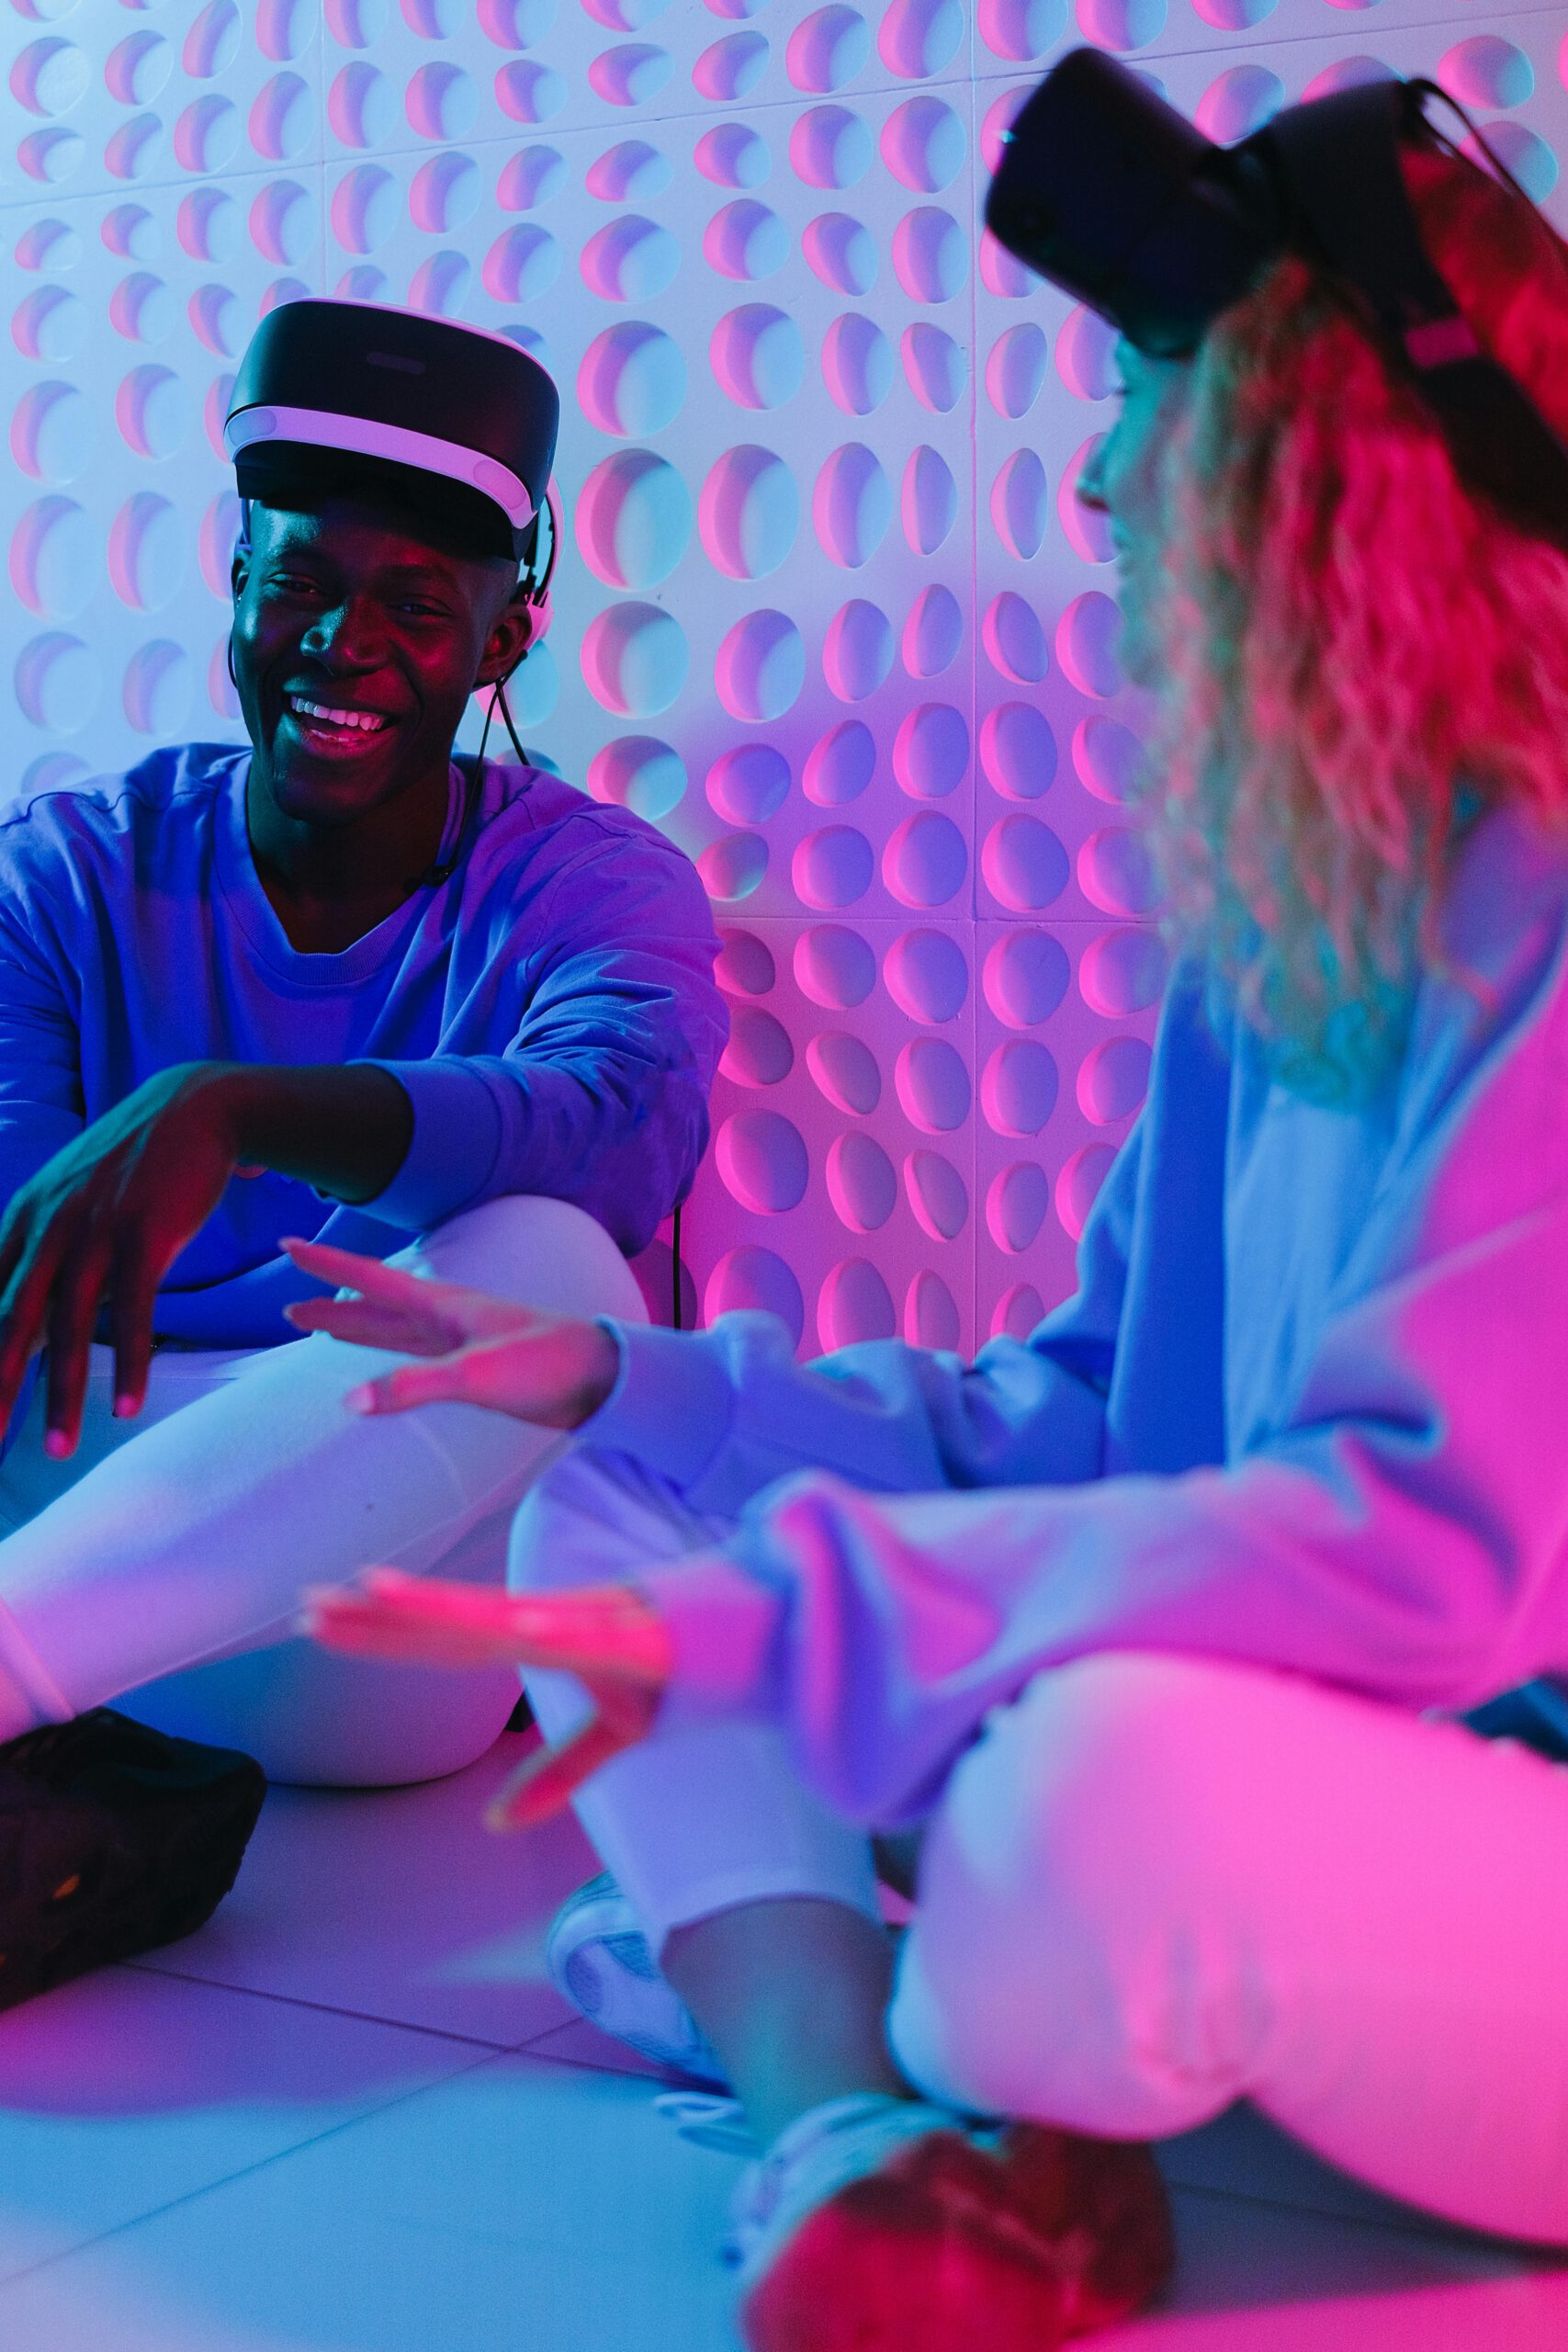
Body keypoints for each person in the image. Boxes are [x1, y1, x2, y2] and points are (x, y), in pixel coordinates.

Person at [304, 61, 1568, 2352]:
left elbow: (1437, 1557)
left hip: (1484, 1831)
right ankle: (869, 2139)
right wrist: (632, 1376)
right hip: (1353, 1768)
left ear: (1302, 482)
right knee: (619, 1484)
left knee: (1091, 1792)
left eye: (1140, 414)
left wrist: (830, 1621)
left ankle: (897, 2010)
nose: (1089, 475)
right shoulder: (1289, 924)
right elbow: (1089, 1410)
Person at [0, 298, 725, 1795]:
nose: (343, 645)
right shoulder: (61, 872)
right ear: (238, 588)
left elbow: (624, 1128)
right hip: (69, 1501)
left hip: (360, 1639)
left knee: (554, 1268)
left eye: (415, 605)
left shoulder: (587, 880)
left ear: (506, 637)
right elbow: (28, 1267)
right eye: (303, 584)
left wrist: (241, 1110)